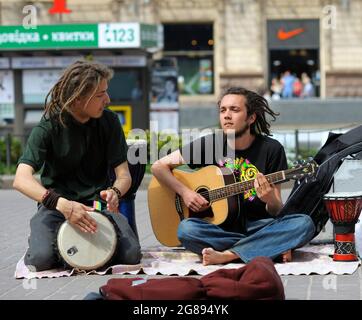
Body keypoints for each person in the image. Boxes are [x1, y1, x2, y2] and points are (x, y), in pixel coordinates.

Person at [151, 87, 315, 266]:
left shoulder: (271, 149)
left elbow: (276, 210)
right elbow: (159, 167)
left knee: (304, 224)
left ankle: (230, 255)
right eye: (223, 110)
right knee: (186, 229)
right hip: (218, 228)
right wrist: (185, 193)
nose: (226, 115)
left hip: (258, 226)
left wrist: (269, 199)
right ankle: (267, 247)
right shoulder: (210, 144)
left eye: (234, 110)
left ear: (251, 118)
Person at [13, 60, 141, 271]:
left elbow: (124, 175)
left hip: (96, 206)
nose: (107, 100)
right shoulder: (48, 126)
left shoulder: (109, 122)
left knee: (132, 255)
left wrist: (115, 192)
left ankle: (68, 251)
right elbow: (20, 179)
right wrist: (63, 204)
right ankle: (47, 239)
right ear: (79, 98)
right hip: (56, 207)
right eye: (100, 95)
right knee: (40, 259)